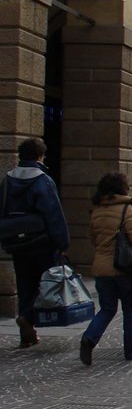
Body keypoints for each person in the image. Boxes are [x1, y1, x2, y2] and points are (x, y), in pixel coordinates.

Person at [1, 137, 71, 348]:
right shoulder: (42, 180)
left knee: (24, 284)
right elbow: (53, 214)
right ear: (40, 156)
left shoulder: (8, 179)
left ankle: (27, 333)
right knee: (46, 284)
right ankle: (28, 316)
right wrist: (63, 242)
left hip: (17, 242)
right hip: (41, 242)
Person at [79, 172, 132, 364]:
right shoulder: (126, 210)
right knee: (130, 309)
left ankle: (89, 338)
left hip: (102, 268)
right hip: (123, 268)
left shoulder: (97, 210)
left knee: (107, 309)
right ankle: (131, 350)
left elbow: (93, 239)